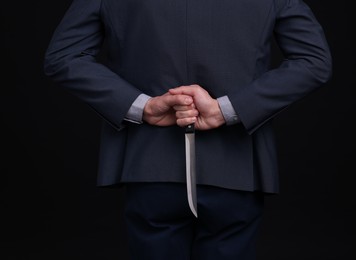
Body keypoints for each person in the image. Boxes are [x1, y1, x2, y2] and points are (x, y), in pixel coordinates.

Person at [44, 0, 332, 259]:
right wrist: (226, 109)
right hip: (237, 166)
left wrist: (144, 106)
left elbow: (63, 56)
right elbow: (313, 60)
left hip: (149, 165)